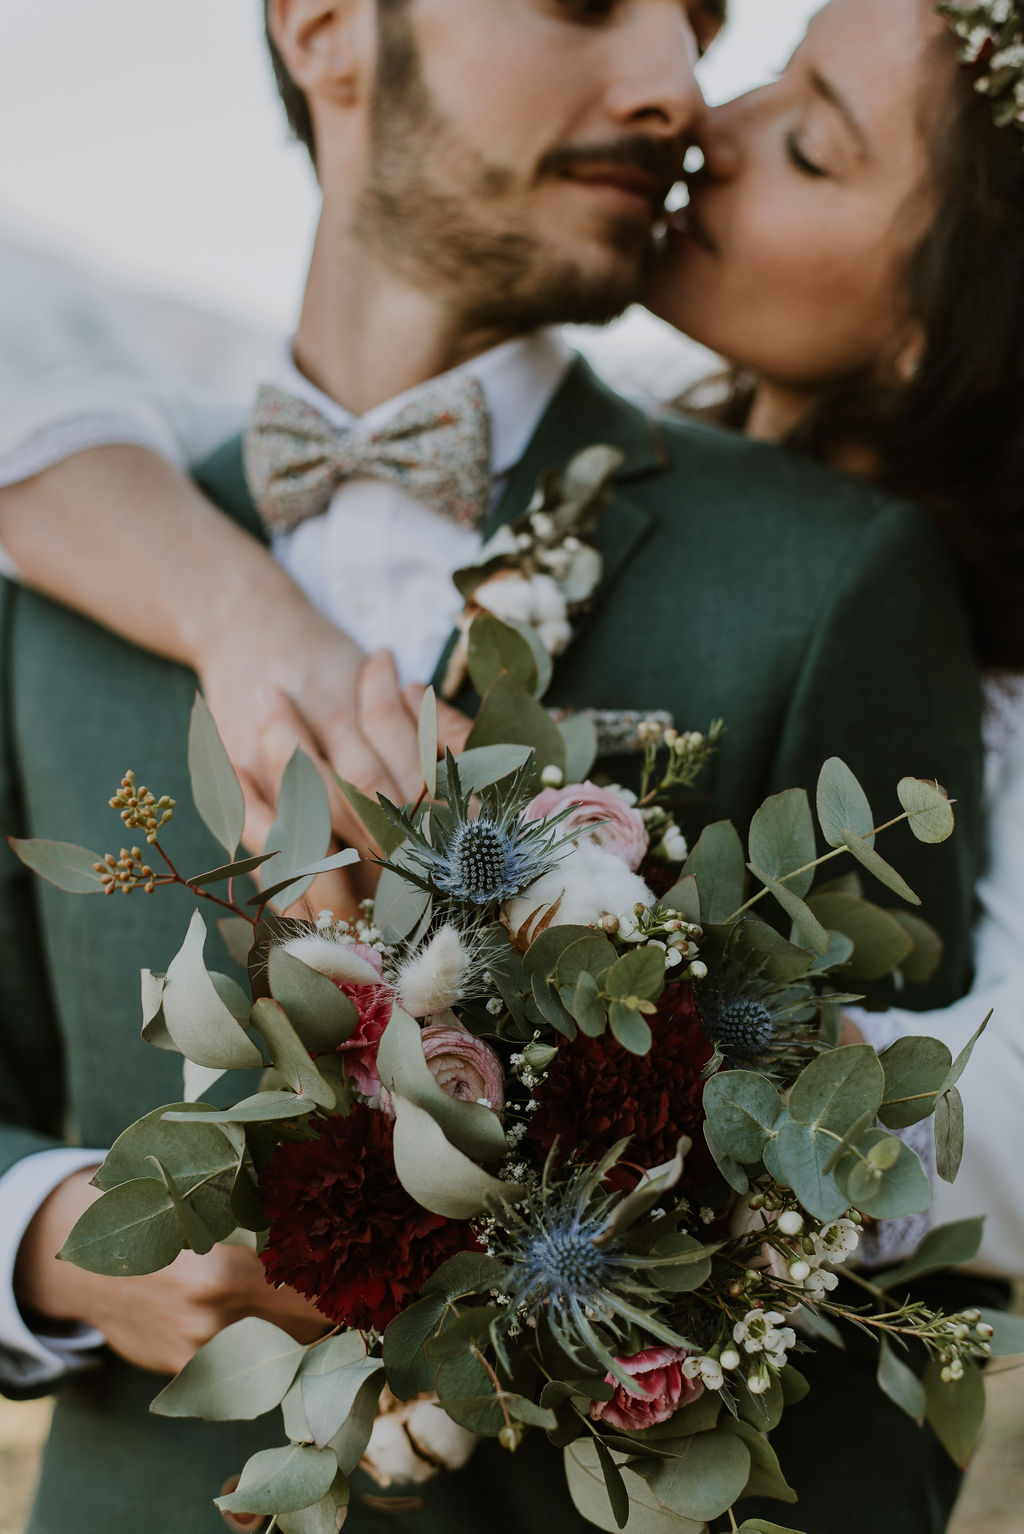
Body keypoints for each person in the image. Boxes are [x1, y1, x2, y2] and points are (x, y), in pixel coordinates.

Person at [0, 1, 999, 1531]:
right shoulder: (67, 570)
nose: (673, 86)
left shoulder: (837, 578)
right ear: (328, 26)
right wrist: (53, 1233)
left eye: (699, 22)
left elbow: (905, 1286)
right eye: (591, 0)